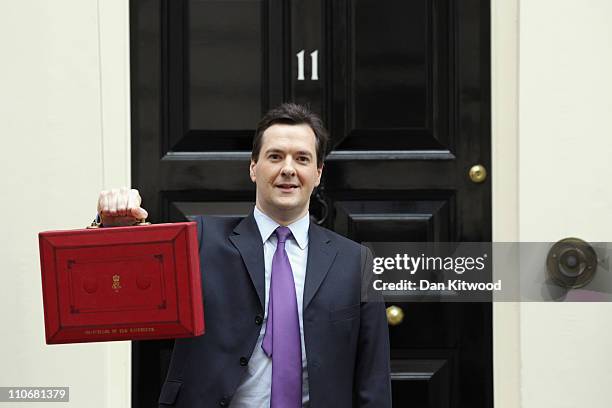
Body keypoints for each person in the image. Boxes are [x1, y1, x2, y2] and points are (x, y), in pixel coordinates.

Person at [97, 103, 391, 407]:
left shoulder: (355, 262)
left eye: (302, 159)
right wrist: (115, 232)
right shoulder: (198, 240)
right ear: (253, 167)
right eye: (275, 156)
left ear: (317, 173)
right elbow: (120, 297)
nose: (288, 169)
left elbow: (373, 381)